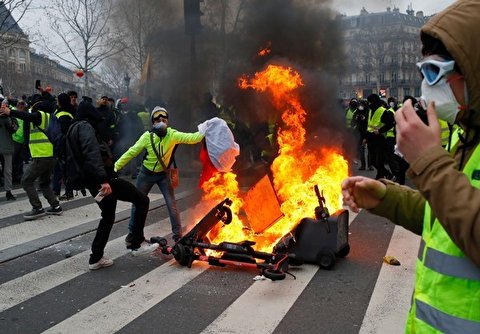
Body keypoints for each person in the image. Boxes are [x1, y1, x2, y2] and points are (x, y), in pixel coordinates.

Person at [342, 1, 480, 331]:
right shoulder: (468, 134)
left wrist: (428, 162)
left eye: (434, 73)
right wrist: (388, 199)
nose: (425, 85)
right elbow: (446, 218)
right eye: (422, 72)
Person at [66, 100, 159, 270]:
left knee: (108, 217)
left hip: (93, 180)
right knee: (142, 200)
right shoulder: (85, 127)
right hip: (104, 181)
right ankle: (136, 243)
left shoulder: (74, 127)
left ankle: (96, 258)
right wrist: (103, 180)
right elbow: (92, 153)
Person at [114, 106, 205, 243]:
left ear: (168, 121)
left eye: (164, 118)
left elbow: (193, 138)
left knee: (172, 205)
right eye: (157, 119)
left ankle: (178, 236)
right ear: (153, 122)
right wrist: (115, 168)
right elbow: (131, 152)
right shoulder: (146, 137)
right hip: (145, 174)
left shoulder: (172, 134)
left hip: (163, 175)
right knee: (137, 203)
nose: (161, 120)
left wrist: (210, 127)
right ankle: (132, 234)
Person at [0, 95, 62, 219]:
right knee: (44, 183)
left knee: (26, 181)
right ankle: (55, 206)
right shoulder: (49, 116)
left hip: (42, 156)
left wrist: (10, 111)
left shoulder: (40, 115)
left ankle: (37, 207)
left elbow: (28, 116)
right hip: (50, 155)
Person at [0, 98, 17, 200]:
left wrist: (8, 118)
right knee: (7, 171)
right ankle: (8, 191)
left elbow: (14, 128)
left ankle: (8, 191)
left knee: (7, 171)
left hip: (6, 146)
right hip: (6, 146)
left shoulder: (9, 115)